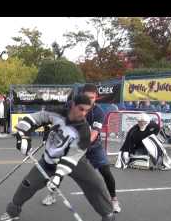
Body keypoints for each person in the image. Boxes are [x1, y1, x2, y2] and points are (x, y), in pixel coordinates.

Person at [0, 93, 123, 221]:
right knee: (28, 184)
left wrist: (57, 177)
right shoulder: (57, 112)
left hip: (75, 162)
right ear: (72, 105)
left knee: (96, 185)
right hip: (49, 159)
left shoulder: (84, 131)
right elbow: (35, 118)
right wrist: (22, 135)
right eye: (81, 109)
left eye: (87, 111)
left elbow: (72, 156)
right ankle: (13, 211)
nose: (84, 114)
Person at [41, 84, 121, 213]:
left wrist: (83, 144)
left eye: (92, 97)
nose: (89, 100)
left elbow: (95, 133)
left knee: (105, 171)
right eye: (86, 97)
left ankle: (113, 200)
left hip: (92, 146)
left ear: (96, 97)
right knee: (60, 168)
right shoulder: (71, 106)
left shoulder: (98, 112)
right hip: (72, 145)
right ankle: (52, 194)